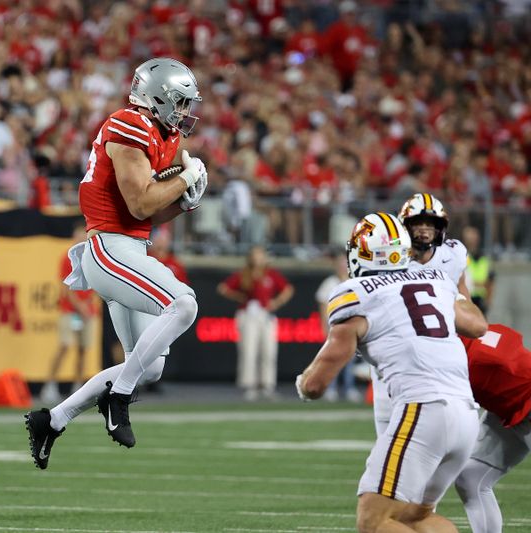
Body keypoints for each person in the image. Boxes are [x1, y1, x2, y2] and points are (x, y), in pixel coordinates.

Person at [25, 57, 208, 468]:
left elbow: (148, 213)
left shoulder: (162, 136)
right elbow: (140, 201)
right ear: (157, 97)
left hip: (129, 247)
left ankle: (52, 419)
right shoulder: (129, 123)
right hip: (109, 249)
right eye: (178, 102)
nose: (183, 112)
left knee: (149, 367)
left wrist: (184, 202)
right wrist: (184, 178)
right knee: (184, 304)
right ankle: (119, 397)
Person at [296, 212, 486, 533]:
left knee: (373, 521)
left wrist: (303, 383)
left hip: (424, 409)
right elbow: (477, 325)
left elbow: (316, 385)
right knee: (416, 517)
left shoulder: (356, 292)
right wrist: (457, 289)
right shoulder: (435, 280)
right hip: (466, 415)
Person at [367, 193, 487, 435]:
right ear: (405, 227)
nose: (424, 230)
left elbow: (467, 306)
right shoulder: (388, 259)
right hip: (397, 357)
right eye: (417, 223)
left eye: (430, 224)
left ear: (440, 228)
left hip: (437, 355)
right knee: (389, 434)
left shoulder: (452, 256)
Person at [454, 323, 531, 533]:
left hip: (525, 400)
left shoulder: (450, 355)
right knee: (471, 478)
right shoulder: (472, 332)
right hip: (510, 405)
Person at [218, 246, 294, 401]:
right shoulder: (244, 274)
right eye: (256, 255)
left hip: (266, 315)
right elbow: (223, 288)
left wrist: (276, 302)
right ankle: (249, 385)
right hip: (248, 314)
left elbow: (288, 289)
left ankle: (267, 385)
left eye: (261, 255)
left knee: (269, 351)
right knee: (249, 350)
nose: (259, 258)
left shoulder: (271, 274)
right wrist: (239, 297)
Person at [39, 223, 99, 404]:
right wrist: (80, 306)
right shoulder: (68, 258)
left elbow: (97, 284)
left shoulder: (93, 257)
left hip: (87, 312)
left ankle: (78, 386)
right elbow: (66, 287)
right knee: (64, 345)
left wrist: (87, 305)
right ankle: (50, 384)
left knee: (82, 349)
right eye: (78, 234)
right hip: (70, 311)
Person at [315, 250, 360, 402]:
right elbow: (322, 306)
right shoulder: (329, 283)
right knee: (331, 361)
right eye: (339, 262)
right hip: (334, 327)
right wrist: (324, 326)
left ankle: (349, 388)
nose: (342, 266)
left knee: (350, 361)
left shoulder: (355, 281)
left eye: (344, 262)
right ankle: (331, 388)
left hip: (352, 327)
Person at [461, 225, 494, 315]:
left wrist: (488, 301)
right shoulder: (461, 257)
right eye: (469, 236)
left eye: (474, 236)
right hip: (465, 300)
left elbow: (490, 282)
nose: (472, 239)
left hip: (480, 302)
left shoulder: (484, 259)